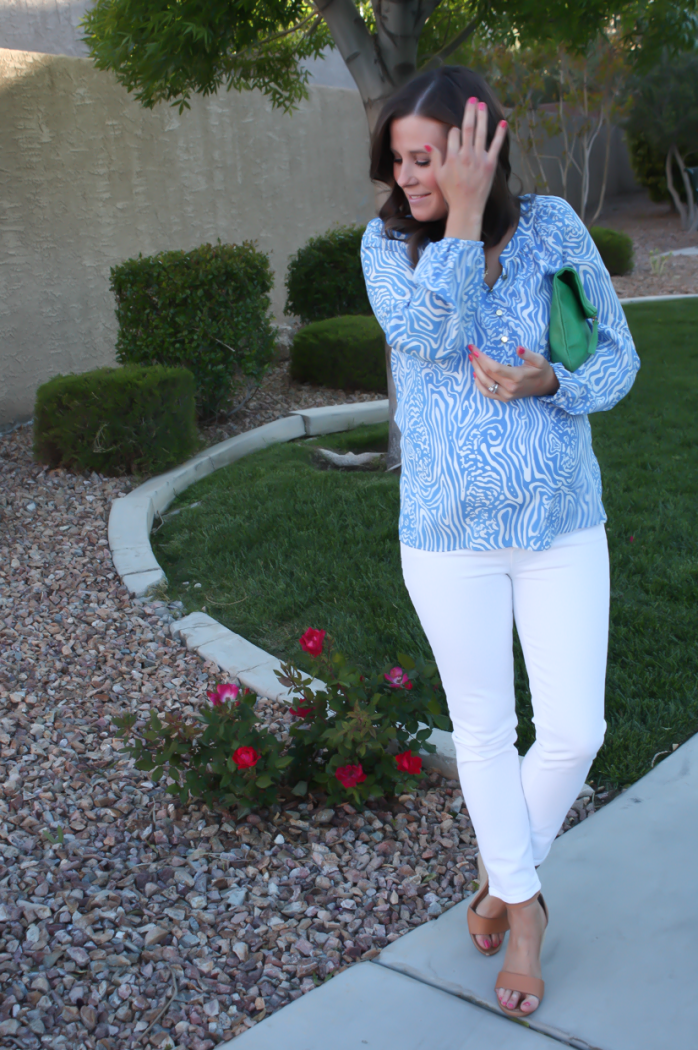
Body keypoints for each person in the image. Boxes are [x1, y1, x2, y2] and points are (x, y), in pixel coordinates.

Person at [360, 65, 640, 1018]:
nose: (410, 177)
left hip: (562, 523)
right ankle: (523, 913)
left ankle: (491, 882)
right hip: (447, 537)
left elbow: (613, 355)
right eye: (400, 159)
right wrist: (464, 223)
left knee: (573, 731)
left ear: (482, 147)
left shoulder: (556, 228)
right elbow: (434, 341)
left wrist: (552, 385)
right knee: (484, 729)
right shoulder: (388, 248)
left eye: (428, 157)